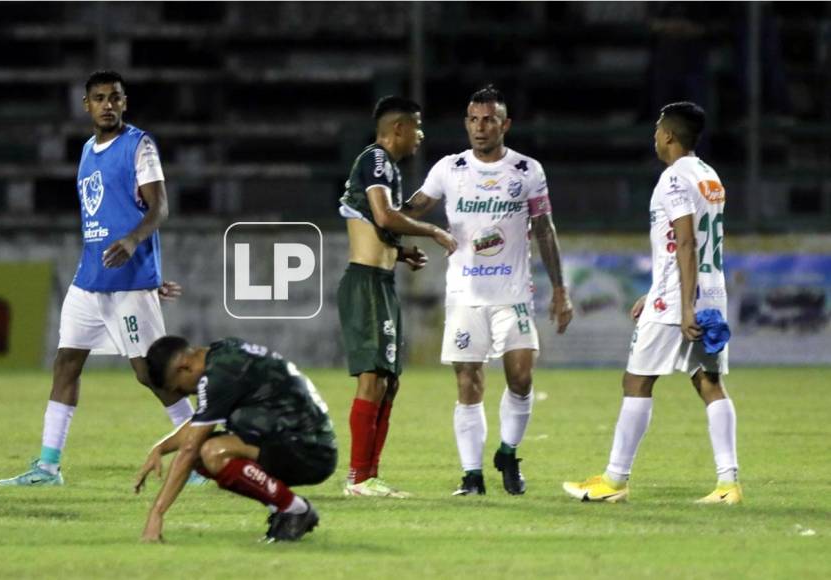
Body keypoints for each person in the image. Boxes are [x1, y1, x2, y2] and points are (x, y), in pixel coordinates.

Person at [0, 71, 193, 486]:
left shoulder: (139, 145)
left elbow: (159, 209)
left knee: (150, 374)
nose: (108, 105)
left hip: (129, 280)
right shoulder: (87, 149)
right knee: (66, 364)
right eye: (99, 98)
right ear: (86, 105)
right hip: (88, 280)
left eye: (115, 98)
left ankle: (195, 450)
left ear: (125, 102)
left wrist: (133, 242)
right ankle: (48, 467)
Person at [563, 102, 741, 504]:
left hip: (680, 301)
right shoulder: (709, 175)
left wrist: (682, 306)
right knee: (709, 382)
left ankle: (614, 481)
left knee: (636, 381)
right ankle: (729, 484)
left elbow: (686, 240)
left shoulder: (673, 179)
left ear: (669, 136)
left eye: (658, 129)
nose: (655, 136)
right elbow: (691, 242)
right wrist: (660, 290)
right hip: (710, 292)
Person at [404, 85, 573, 496]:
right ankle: (472, 476)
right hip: (464, 295)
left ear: (505, 124)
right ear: (466, 123)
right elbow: (412, 209)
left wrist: (560, 289)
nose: (480, 128)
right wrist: (380, 215)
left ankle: (509, 452)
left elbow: (545, 230)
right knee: (468, 381)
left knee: (521, 375)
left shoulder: (527, 171)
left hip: (513, 293)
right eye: (473, 120)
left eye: (489, 120)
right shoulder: (450, 168)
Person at [337, 96, 457, 498]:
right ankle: (358, 478)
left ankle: (369, 476)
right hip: (367, 283)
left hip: (381, 279)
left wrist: (399, 251)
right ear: (399, 129)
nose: (421, 135)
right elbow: (385, 215)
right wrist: (435, 232)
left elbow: (374, 224)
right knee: (372, 378)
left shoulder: (386, 167)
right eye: (417, 127)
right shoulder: (375, 160)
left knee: (389, 382)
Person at [134, 335, 337, 543]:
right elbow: (196, 428)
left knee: (211, 452)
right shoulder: (222, 356)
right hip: (302, 441)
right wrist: (161, 448)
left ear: (184, 367)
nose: (184, 394)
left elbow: (189, 448)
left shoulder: (219, 375)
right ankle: (285, 508)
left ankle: (294, 510)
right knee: (203, 452)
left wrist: (157, 513)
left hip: (310, 451)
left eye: (178, 388)